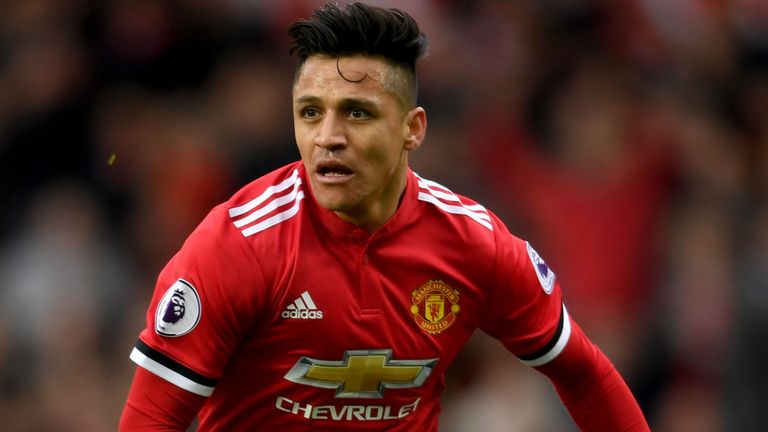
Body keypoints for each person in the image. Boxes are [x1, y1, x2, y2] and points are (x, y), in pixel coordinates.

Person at [119, 3, 650, 431]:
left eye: (357, 112)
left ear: (412, 129)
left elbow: (585, 376)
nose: (328, 137)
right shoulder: (239, 245)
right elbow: (151, 420)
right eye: (310, 112)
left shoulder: (473, 245)